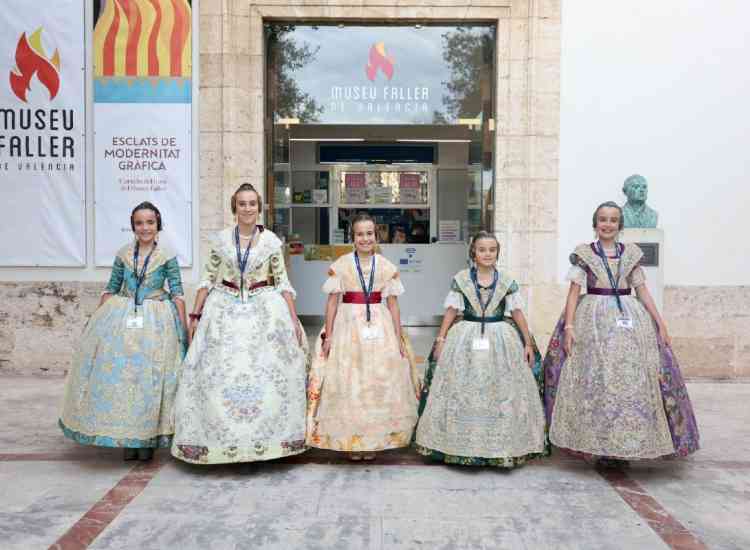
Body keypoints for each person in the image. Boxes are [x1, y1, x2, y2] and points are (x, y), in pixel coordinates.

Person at [543, 201, 699, 467]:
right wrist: (569, 327)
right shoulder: (584, 254)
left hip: (629, 318)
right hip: (592, 320)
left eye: (613, 220)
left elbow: (642, 291)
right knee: (598, 380)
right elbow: (572, 294)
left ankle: (627, 444)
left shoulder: (631, 254)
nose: (607, 224)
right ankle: (599, 445)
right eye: (603, 219)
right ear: (595, 224)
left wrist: (660, 323)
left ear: (620, 225)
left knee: (631, 380)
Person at [171, 183, 308, 464]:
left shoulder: (271, 241)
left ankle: (269, 442)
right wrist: (196, 316)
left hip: (265, 309)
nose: (248, 208)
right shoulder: (221, 240)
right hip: (225, 307)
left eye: (252, 204)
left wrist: (293, 319)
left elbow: (282, 281)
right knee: (215, 373)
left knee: (273, 373)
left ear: (259, 207)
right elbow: (208, 278)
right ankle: (222, 443)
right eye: (242, 204)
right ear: (235, 208)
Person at [59, 202, 187, 461]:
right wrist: (97, 324)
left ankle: (147, 438)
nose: (145, 228)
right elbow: (112, 287)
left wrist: (183, 327)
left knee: (149, 381)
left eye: (150, 222)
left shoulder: (167, 255)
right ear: (133, 226)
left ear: (158, 224)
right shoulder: (123, 254)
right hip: (123, 319)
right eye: (139, 223)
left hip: (156, 321)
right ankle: (129, 438)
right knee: (126, 379)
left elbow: (177, 291)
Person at [415, 231, 547, 467]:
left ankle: (499, 446)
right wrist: (441, 339)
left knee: (500, 388)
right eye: (482, 250)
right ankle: (461, 444)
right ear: (473, 253)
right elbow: (452, 311)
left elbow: (517, 313)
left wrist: (527, 342)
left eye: (492, 250)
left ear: (498, 253)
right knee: (464, 387)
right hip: (466, 335)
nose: (487, 254)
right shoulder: (462, 279)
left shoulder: (506, 281)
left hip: (500, 337)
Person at [306, 213, 420, 461]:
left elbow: (393, 305)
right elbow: (332, 303)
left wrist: (399, 336)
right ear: (352, 237)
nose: (365, 238)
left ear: (376, 236)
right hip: (348, 327)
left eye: (369, 233)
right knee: (350, 381)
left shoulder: (386, 267)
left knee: (376, 381)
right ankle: (350, 441)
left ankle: (373, 441)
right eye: (360, 234)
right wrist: (328, 334)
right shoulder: (342, 265)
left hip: (380, 327)